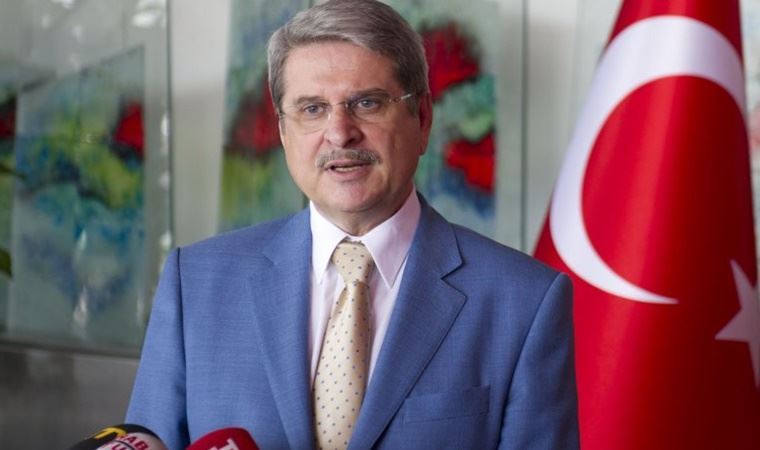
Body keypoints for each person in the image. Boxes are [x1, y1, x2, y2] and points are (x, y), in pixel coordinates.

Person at [126, 0, 579, 448]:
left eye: (367, 103)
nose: (340, 132)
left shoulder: (524, 302)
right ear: (283, 132)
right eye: (312, 109)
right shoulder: (195, 283)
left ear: (422, 119)